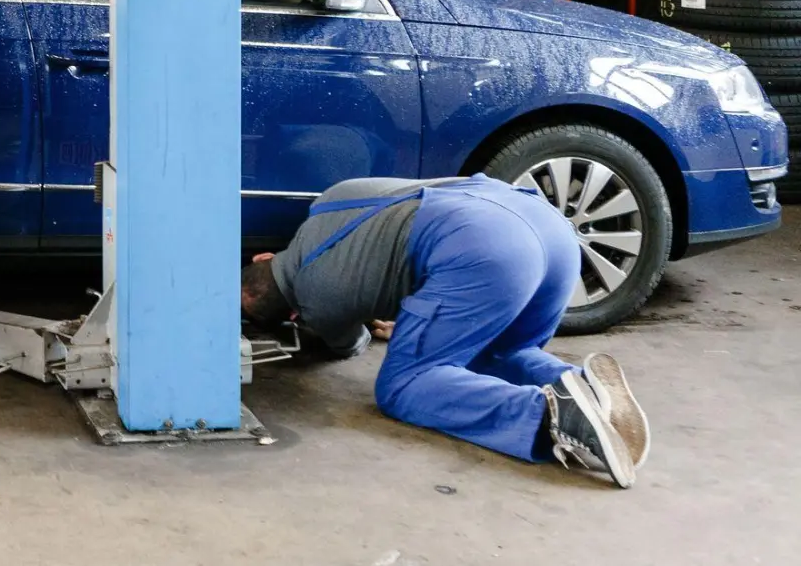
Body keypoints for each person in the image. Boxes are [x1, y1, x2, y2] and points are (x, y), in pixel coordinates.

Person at [241, 174, 650, 488]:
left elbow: (348, 344)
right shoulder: (331, 198)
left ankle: (550, 416)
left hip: (484, 250)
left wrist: (367, 324)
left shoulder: (315, 300)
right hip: (551, 230)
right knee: (495, 351)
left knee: (404, 384)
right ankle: (585, 387)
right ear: (264, 257)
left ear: (292, 314)